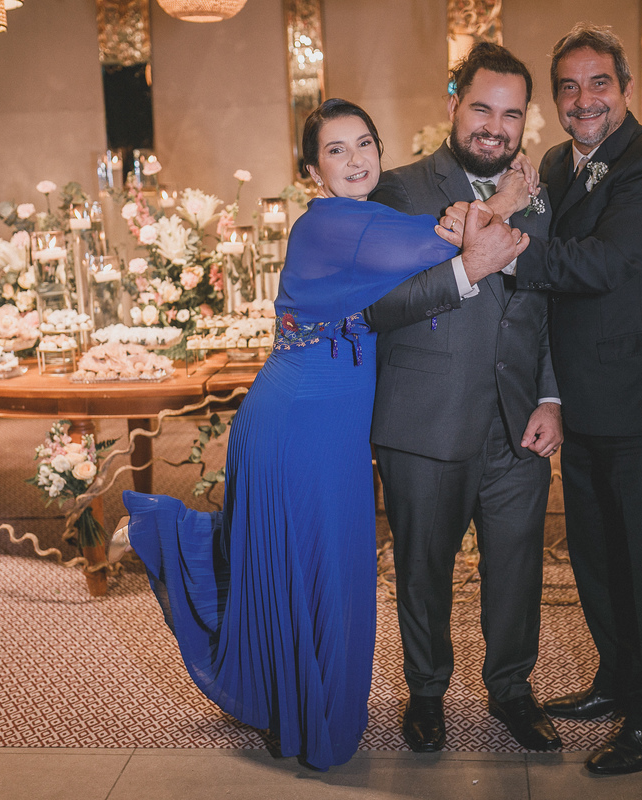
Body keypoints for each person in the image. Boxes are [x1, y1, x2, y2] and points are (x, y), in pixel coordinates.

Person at [110, 99, 529, 771]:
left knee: (311, 569)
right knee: (317, 570)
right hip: (299, 421)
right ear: (312, 171)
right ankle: (298, 708)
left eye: (364, 143)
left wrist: (475, 219)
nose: (356, 159)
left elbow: (438, 245)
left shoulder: (367, 217)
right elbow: (448, 242)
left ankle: (293, 704)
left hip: (327, 422)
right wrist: (506, 197)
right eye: (336, 150)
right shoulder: (328, 224)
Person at [443, 23, 642, 775]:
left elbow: (603, 262)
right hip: (583, 399)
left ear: (624, 87)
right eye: (568, 87)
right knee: (597, 557)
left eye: (599, 83)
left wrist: (499, 249)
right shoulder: (558, 164)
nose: (584, 99)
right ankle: (615, 679)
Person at [363, 42, 564, 755]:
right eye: (482, 108)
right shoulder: (398, 191)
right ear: (453, 104)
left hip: (518, 422)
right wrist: (468, 265)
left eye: (511, 114)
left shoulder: (540, 196)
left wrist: (550, 398)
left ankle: (511, 689)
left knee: (518, 568)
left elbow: (549, 304)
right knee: (424, 566)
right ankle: (426, 692)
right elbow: (380, 306)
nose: (495, 127)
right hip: (425, 418)